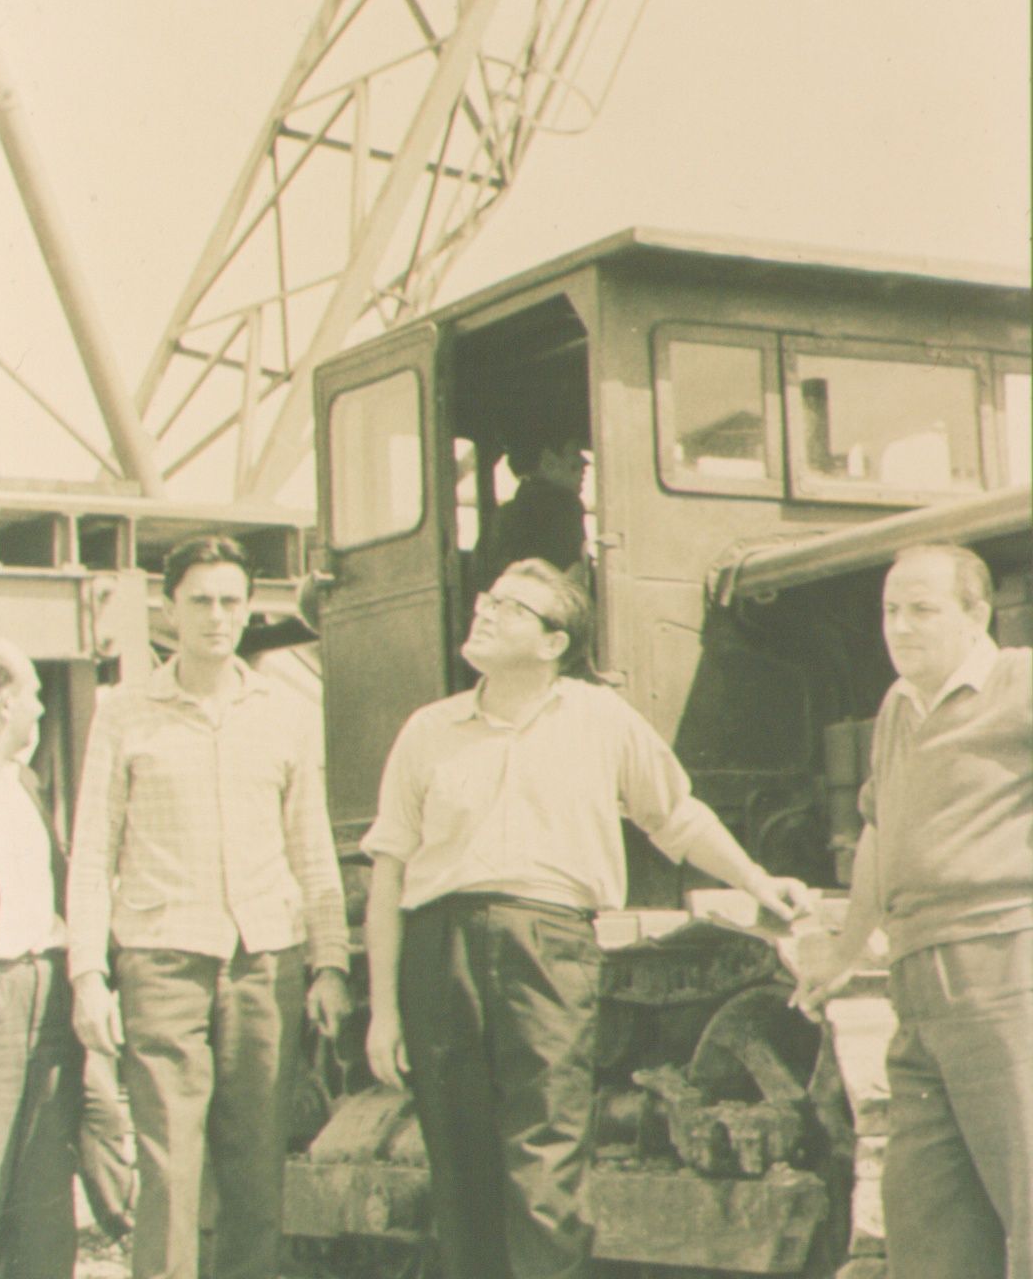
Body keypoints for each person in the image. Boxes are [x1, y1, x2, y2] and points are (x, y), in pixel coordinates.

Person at [363, 557, 809, 1279]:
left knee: (545, 1165)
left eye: (511, 607)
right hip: (439, 950)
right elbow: (388, 873)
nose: (485, 611)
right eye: (488, 598)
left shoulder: (601, 720)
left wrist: (757, 879)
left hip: (549, 946)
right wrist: (383, 1011)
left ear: (554, 642)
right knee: (460, 1171)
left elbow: (676, 816)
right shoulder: (428, 730)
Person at [67, 534, 351, 1279]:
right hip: (162, 959)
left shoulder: (283, 713)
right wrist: (87, 975)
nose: (216, 617)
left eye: (230, 601)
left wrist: (329, 963)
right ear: (169, 609)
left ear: (249, 607)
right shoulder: (126, 712)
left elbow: (312, 845)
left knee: (257, 1167)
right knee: (168, 1164)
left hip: (265, 961)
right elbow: (92, 849)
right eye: (199, 601)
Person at [796, 543, 1032, 1279]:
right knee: (928, 1225)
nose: (900, 626)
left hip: (1003, 971)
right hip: (915, 982)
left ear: (977, 613)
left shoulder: (1020, 683)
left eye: (923, 610)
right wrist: (843, 951)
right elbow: (880, 831)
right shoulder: (898, 708)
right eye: (891, 610)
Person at [0, 637, 81, 1279]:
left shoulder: (24, 784)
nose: (41, 709)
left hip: (48, 998)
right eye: (34, 695)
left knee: (42, 1199)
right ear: (4, 702)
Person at [474, 430, 589, 588]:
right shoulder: (564, 506)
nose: (584, 463)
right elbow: (569, 580)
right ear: (548, 462)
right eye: (575, 453)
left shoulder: (506, 512)